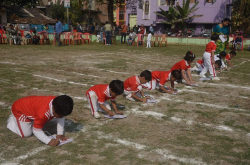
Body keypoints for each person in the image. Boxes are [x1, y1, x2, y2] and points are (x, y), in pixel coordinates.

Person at [7, 95, 73, 146]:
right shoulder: (42, 114)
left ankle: (32, 119)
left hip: (31, 108)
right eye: (60, 115)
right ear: (53, 108)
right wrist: (48, 141)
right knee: (26, 134)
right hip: (19, 110)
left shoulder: (58, 103)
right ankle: (12, 120)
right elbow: (36, 130)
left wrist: (60, 134)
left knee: (39, 122)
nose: (61, 117)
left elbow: (61, 117)